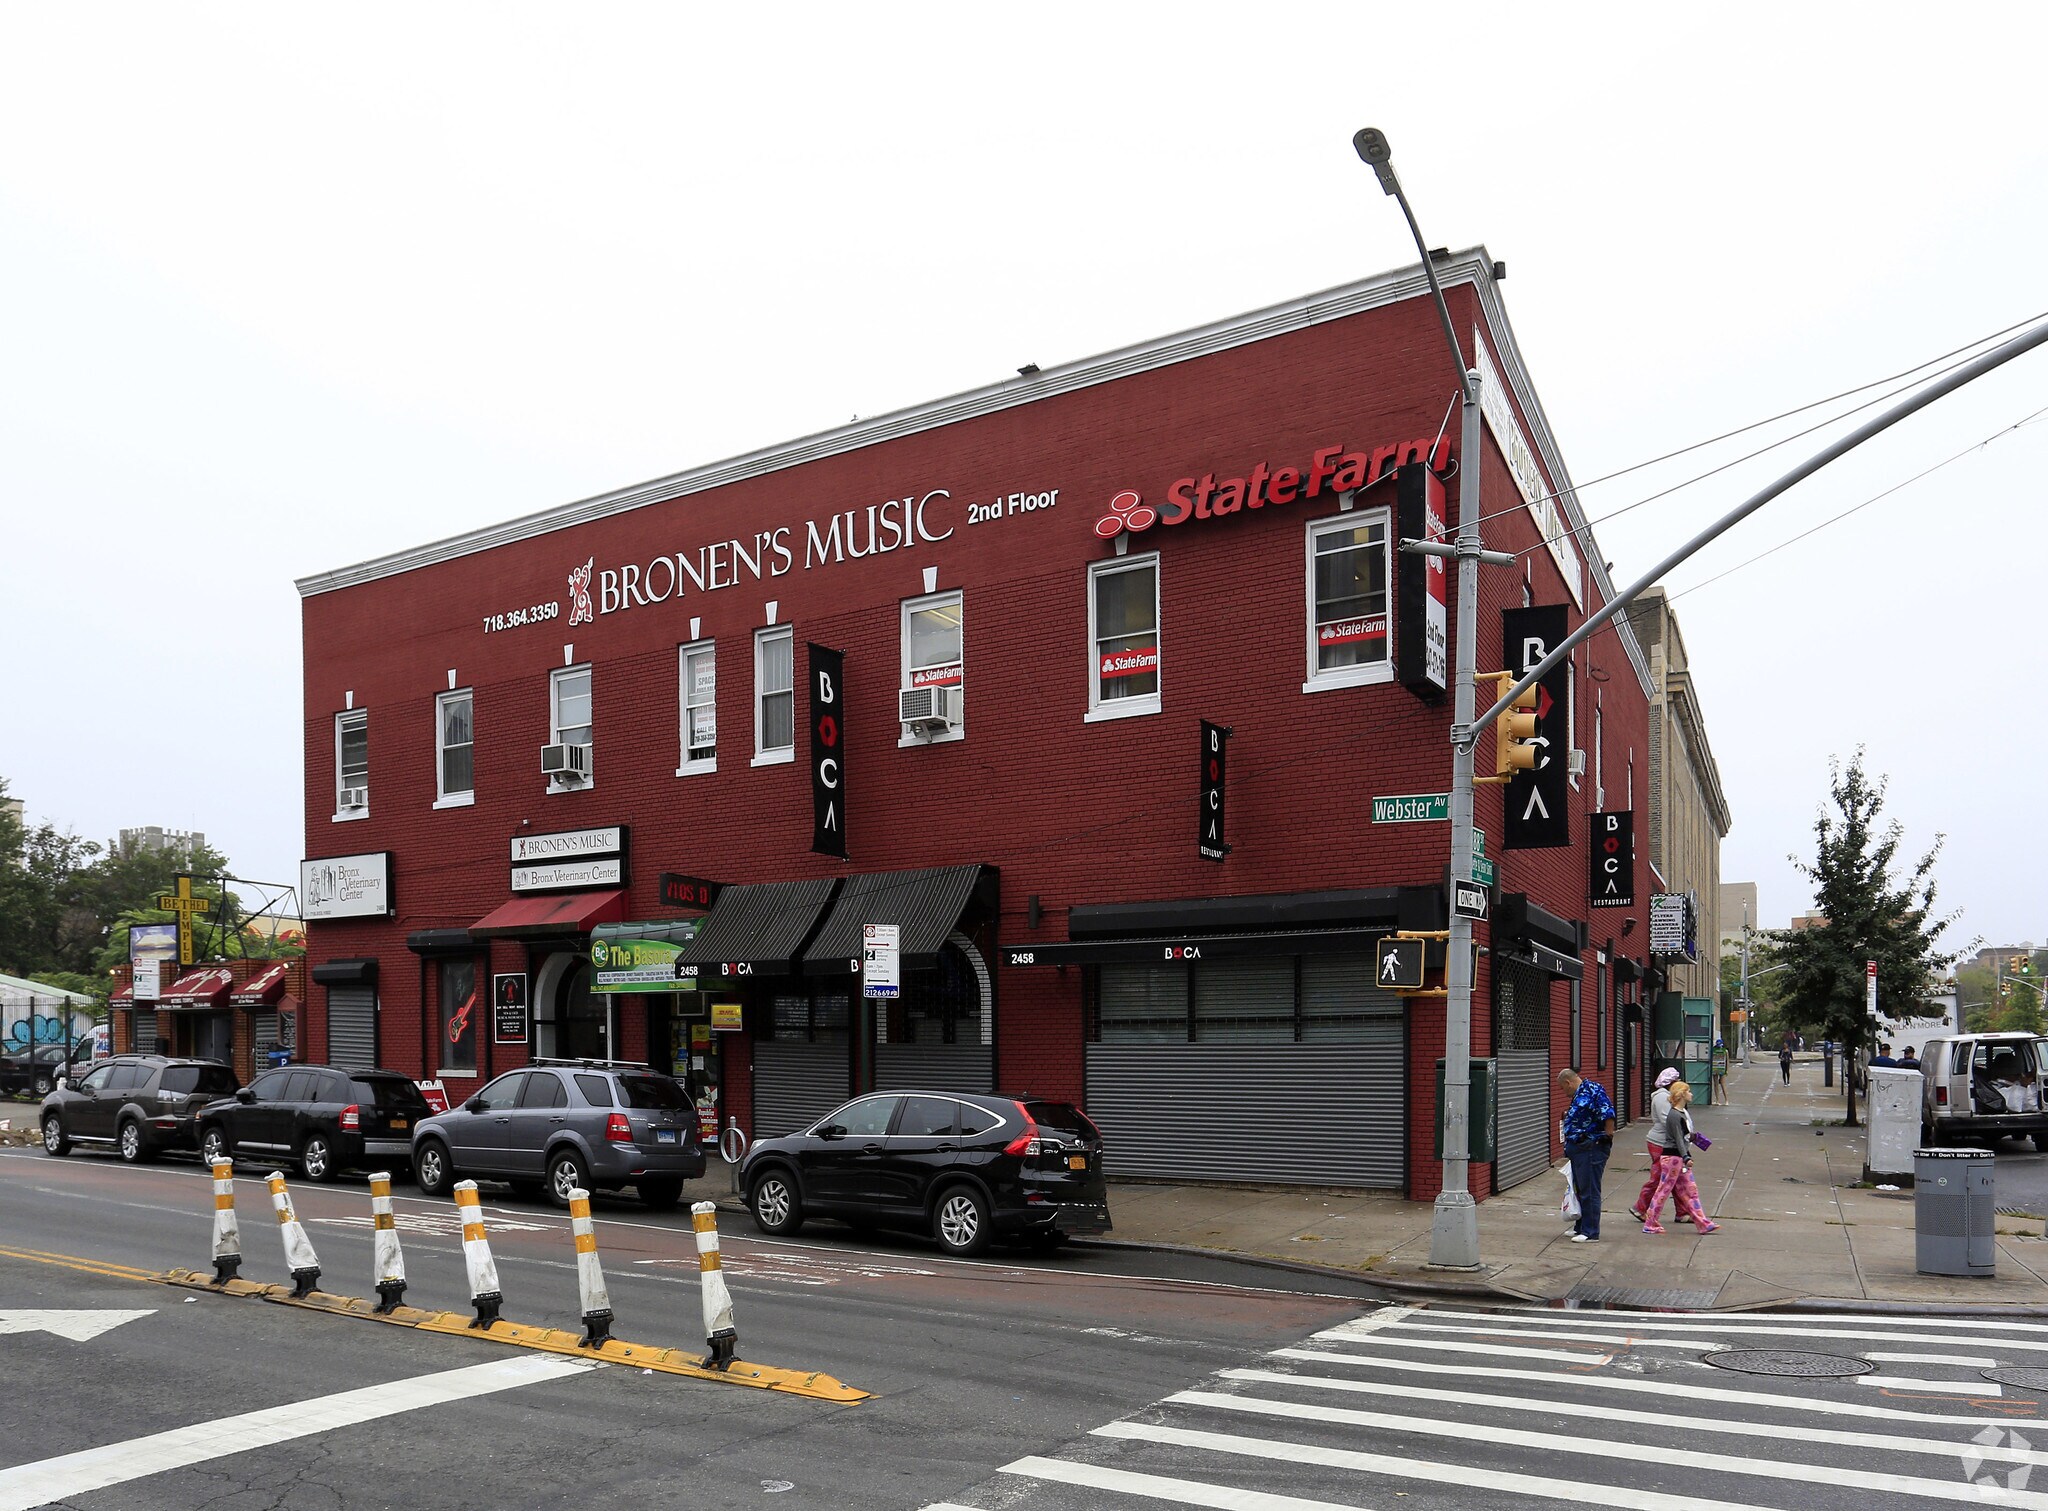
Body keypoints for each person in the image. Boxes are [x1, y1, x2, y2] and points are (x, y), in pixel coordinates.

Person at [1642, 1081, 1717, 1234]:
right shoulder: (1675, 1115)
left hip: (1678, 1158)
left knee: (1690, 1190)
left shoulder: (1680, 1113)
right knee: (1663, 1190)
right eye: (1688, 1091)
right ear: (1681, 1094)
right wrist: (1686, 1156)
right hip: (1673, 1158)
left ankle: (1703, 1222)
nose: (1691, 1094)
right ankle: (1650, 1222)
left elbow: (1683, 1136)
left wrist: (1693, 1138)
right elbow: (1678, 1139)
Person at [1559, 1067, 1617, 1243]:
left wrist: (1606, 1137)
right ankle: (1580, 1227)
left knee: (1589, 1189)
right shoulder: (1578, 1094)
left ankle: (1591, 1232)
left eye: (1563, 1088)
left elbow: (1608, 1113)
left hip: (1591, 1147)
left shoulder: (1593, 1090)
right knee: (1580, 1189)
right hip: (1579, 1148)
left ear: (1568, 1082)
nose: (1564, 1092)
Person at [1632, 1067, 1684, 1225]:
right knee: (1660, 1177)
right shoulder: (1662, 1098)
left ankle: (1682, 1212)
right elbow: (1667, 1120)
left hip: (1668, 1142)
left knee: (1676, 1177)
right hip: (1662, 1143)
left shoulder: (1667, 1097)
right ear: (1671, 1082)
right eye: (1677, 1080)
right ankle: (1640, 1207)